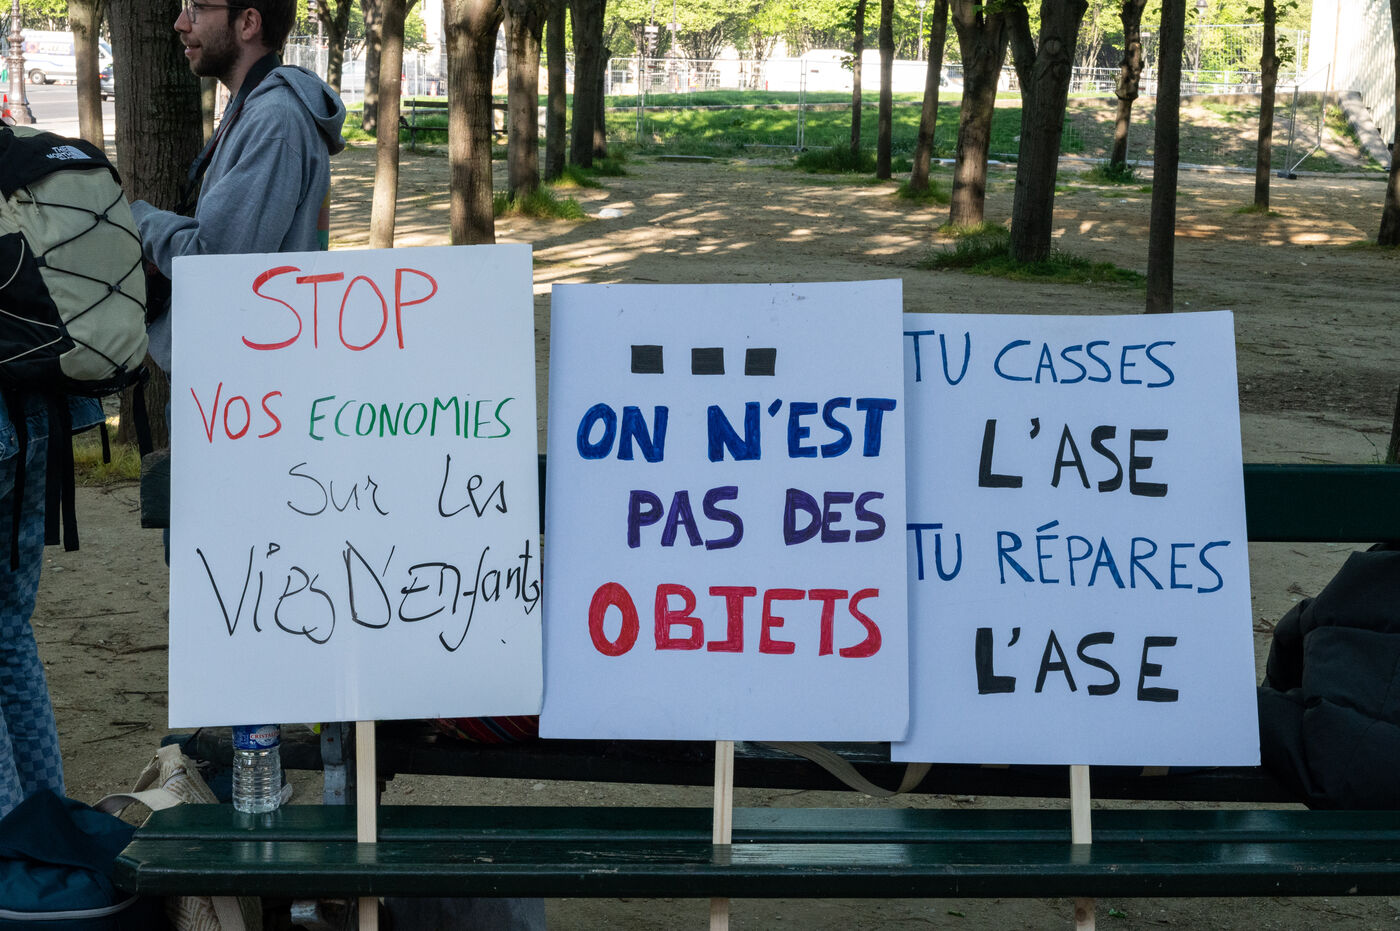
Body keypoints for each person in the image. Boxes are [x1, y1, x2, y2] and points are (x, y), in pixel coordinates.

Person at [132, 0, 346, 376]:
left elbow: (213, 264)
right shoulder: (257, 107)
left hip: (242, 385)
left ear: (248, 23)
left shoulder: (275, 120)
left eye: (197, 8)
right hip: (242, 375)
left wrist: (136, 219)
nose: (181, 23)